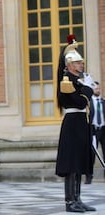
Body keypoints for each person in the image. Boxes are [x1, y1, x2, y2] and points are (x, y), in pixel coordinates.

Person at [55, 39, 96, 212]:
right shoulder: (67, 81)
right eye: (78, 62)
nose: (81, 65)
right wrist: (88, 88)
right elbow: (79, 103)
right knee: (71, 164)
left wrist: (85, 85)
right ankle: (69, 201)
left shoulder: (78, 80)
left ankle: (78, 199)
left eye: (81, 62)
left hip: (81, 123)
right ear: (70, 64)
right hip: (72, 124)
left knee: (79, 162)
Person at [86, 81, 105, 184]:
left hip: (103, 130)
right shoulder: (89, 103)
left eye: (98, 88)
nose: (98, 90)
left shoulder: (103, 101)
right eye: (96, 89)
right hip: (94, 131)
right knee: (92, 154)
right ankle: (89, 177)